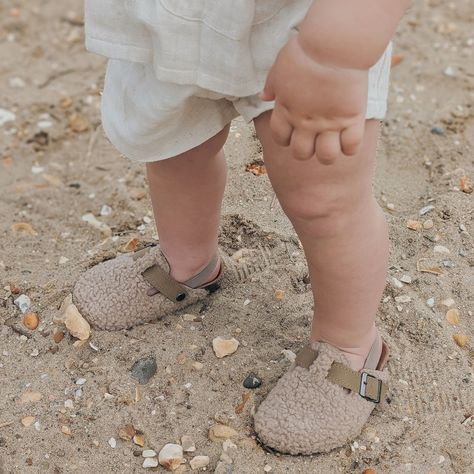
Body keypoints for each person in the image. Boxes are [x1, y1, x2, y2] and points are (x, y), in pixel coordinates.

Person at [76, 0, 410, 455]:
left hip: (307, 27)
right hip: (172, 14)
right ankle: (187, 262)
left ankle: (350, 344)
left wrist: (334, 52)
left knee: (323, 199)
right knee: (174, 145)